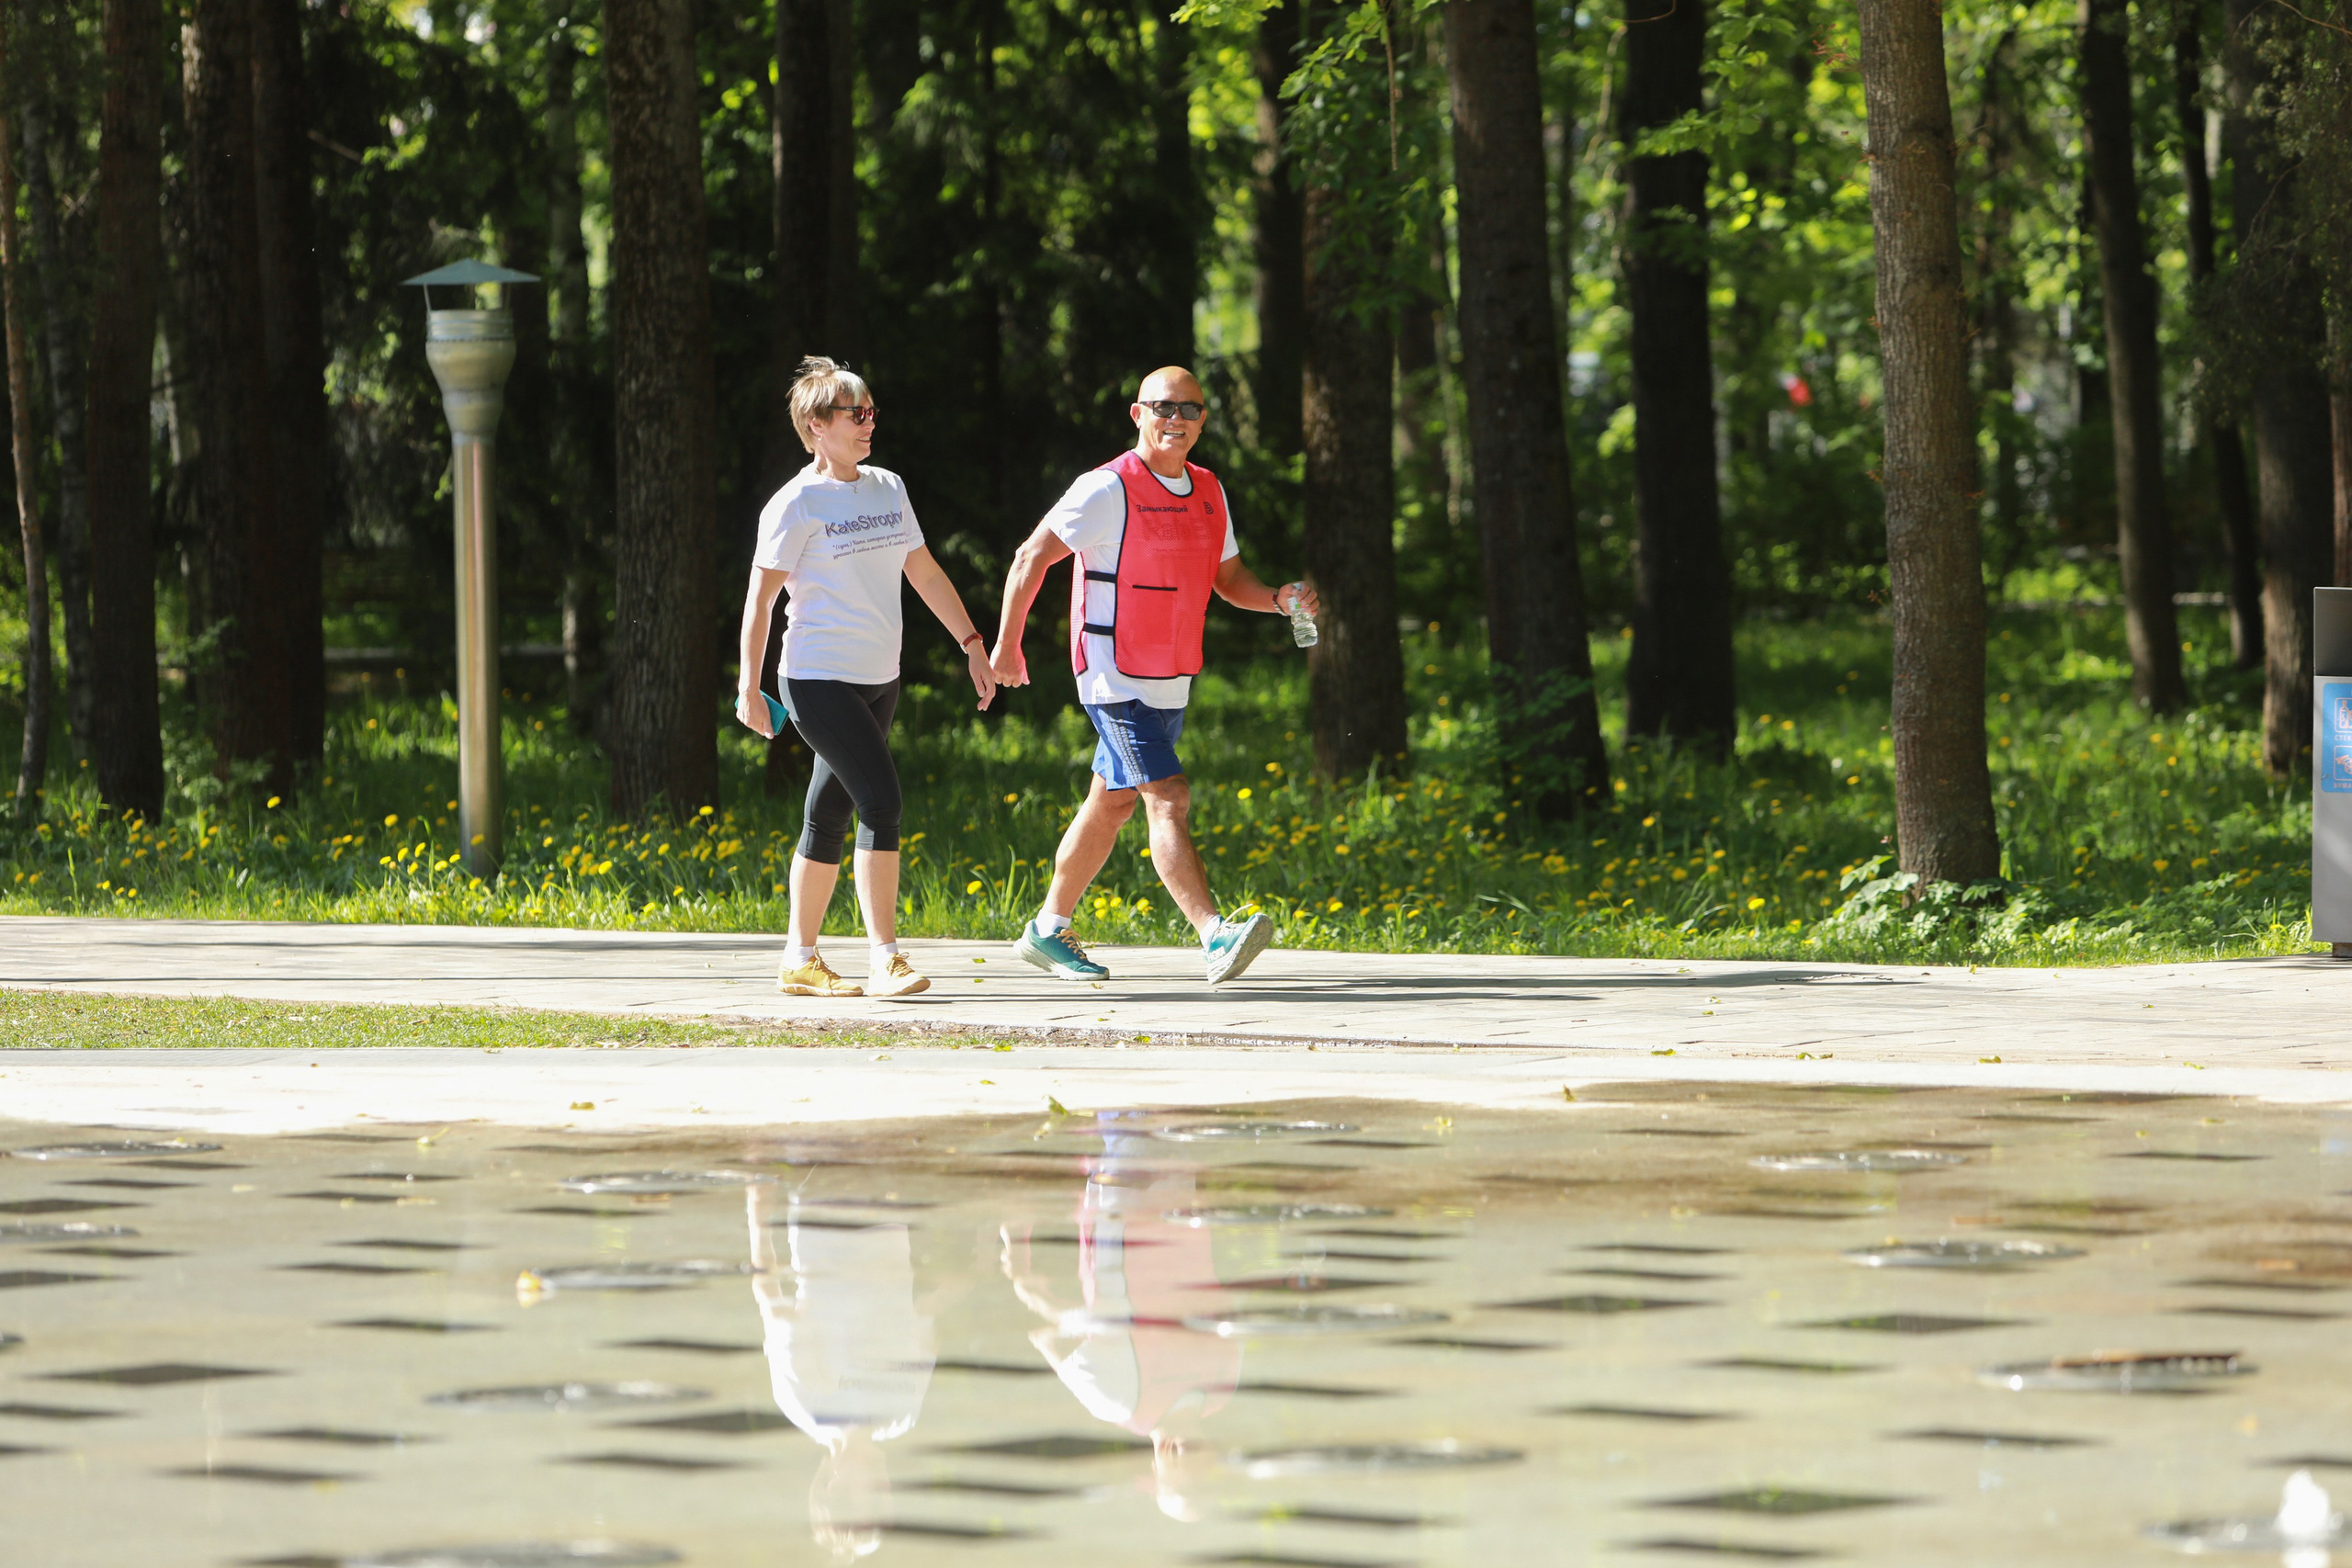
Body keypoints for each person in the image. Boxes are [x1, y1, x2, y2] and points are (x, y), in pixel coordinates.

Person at [989, 366, 1317, 985]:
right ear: (1137, 414)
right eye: (1163, 407)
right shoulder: (1105, 488)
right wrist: (1008, 644)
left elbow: (1228, 579)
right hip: (1112, 672)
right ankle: (1215, 935)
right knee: (1168, 796)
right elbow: (1031, 555)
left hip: (1171, 670)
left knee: (1110, 803)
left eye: (1189, 410)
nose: (1176, 419)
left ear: (1202, 421)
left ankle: (1047, 928)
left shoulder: (1209, 490)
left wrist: (1277, 597)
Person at [736, 355, 997, 999]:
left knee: (827, 812)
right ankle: (887, 958)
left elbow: (925, 571)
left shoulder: (888, 487)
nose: (869, 422)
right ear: (817, 424)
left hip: (881, 678)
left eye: (872, 411)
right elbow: (760, 601)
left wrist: (971, 642)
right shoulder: (795, 503)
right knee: (881, 801)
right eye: (857, 413)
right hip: (818, 679)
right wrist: (747, 685)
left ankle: (799, 957)